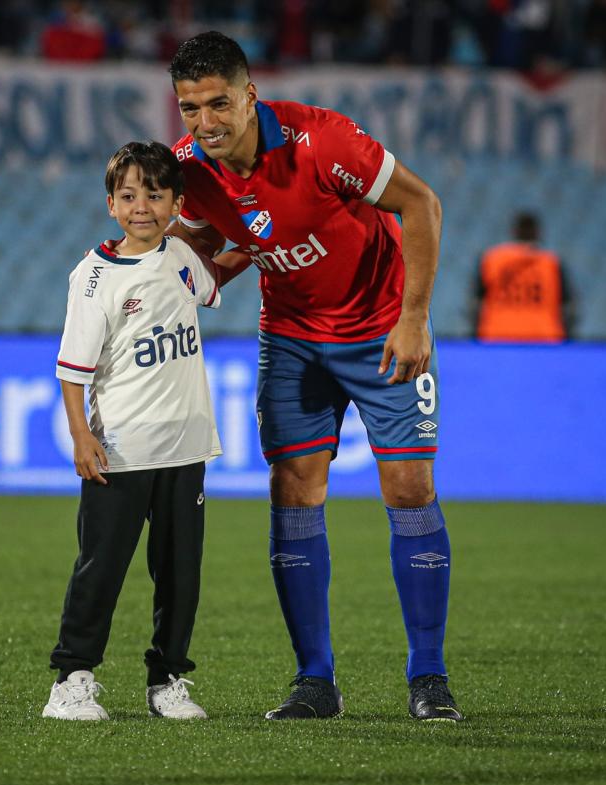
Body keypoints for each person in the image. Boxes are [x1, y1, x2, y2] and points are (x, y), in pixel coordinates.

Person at [166, 31, 464, 722]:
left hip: (381, 331)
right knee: (294, 488)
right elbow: (230, 241)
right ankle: (314, 681)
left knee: (409, 486)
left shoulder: (322, 141)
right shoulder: (191, 169)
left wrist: (414, 317)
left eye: (218, 104)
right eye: (189, 109)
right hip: (293, 339)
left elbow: (421, 205)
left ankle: (429, 678)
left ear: (249, 96)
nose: (205, 122)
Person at [44, 141, 235, 721]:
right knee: (101, 566)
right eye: (129, 195)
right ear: (111, 204)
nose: (142, 206)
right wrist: (82, 436)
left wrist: (261, 245)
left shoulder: (179, 253)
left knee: (180, 571)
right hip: (122, 448)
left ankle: (167, 680)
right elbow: (72, 370)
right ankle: (72, 678)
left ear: (177, 202)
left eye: (155, 194)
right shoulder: (94, 276)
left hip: (187, 445)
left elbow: (211, 282)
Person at [473, 211, 574, 342]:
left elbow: (476, 304)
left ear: (514, 232)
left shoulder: (491, 259)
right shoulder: (552, 263)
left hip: (498, 334)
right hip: (544, 336)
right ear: (538, 233)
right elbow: (568, 308)